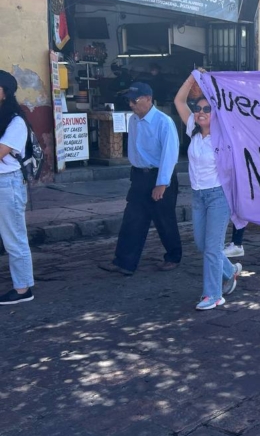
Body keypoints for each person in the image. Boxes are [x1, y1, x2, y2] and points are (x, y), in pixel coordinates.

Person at [174, 73, 241, 310]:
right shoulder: (193, 127)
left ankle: (212, 295)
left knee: (212, 249)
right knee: (203, 246)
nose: (201, 112)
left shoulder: (223, 137)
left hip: (217, 197)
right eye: (198, 107)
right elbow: (179, 102)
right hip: (198, 196)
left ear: (216, 114)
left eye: (207, 109)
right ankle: (231, 270)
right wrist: (192, 79)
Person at [99, 82, 182, 275]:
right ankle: (124, 262)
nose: (131, 105)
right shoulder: (133, 120)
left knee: (164, 220)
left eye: (135, 101)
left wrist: (162, 183)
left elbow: (169, 155)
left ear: (148, 99)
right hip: (139, 176)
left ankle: (173, 256)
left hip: (159, 175)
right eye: (129, 101)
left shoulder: (164, 122)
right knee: (132, 219)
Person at [0, 71, 35, 305]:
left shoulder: (15, 121)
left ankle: (23, 289)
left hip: (8, 183)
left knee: (14, 237)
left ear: (4, 92)